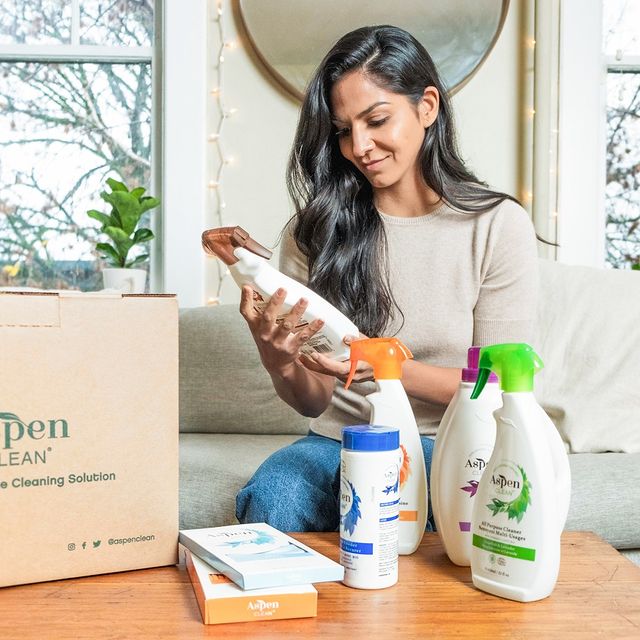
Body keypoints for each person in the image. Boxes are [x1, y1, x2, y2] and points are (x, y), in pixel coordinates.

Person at [235, 25, 539, 532]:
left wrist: (377, 362)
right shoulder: (314, 231)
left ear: (427, 107)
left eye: (377, 120)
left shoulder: (495, 225)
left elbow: (500, 384)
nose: (360, 146)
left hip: (450, 442)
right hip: (338, 440)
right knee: (273, 499)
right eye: (342, 129)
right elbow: (313, 399)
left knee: (457, 521)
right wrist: (279, 358)